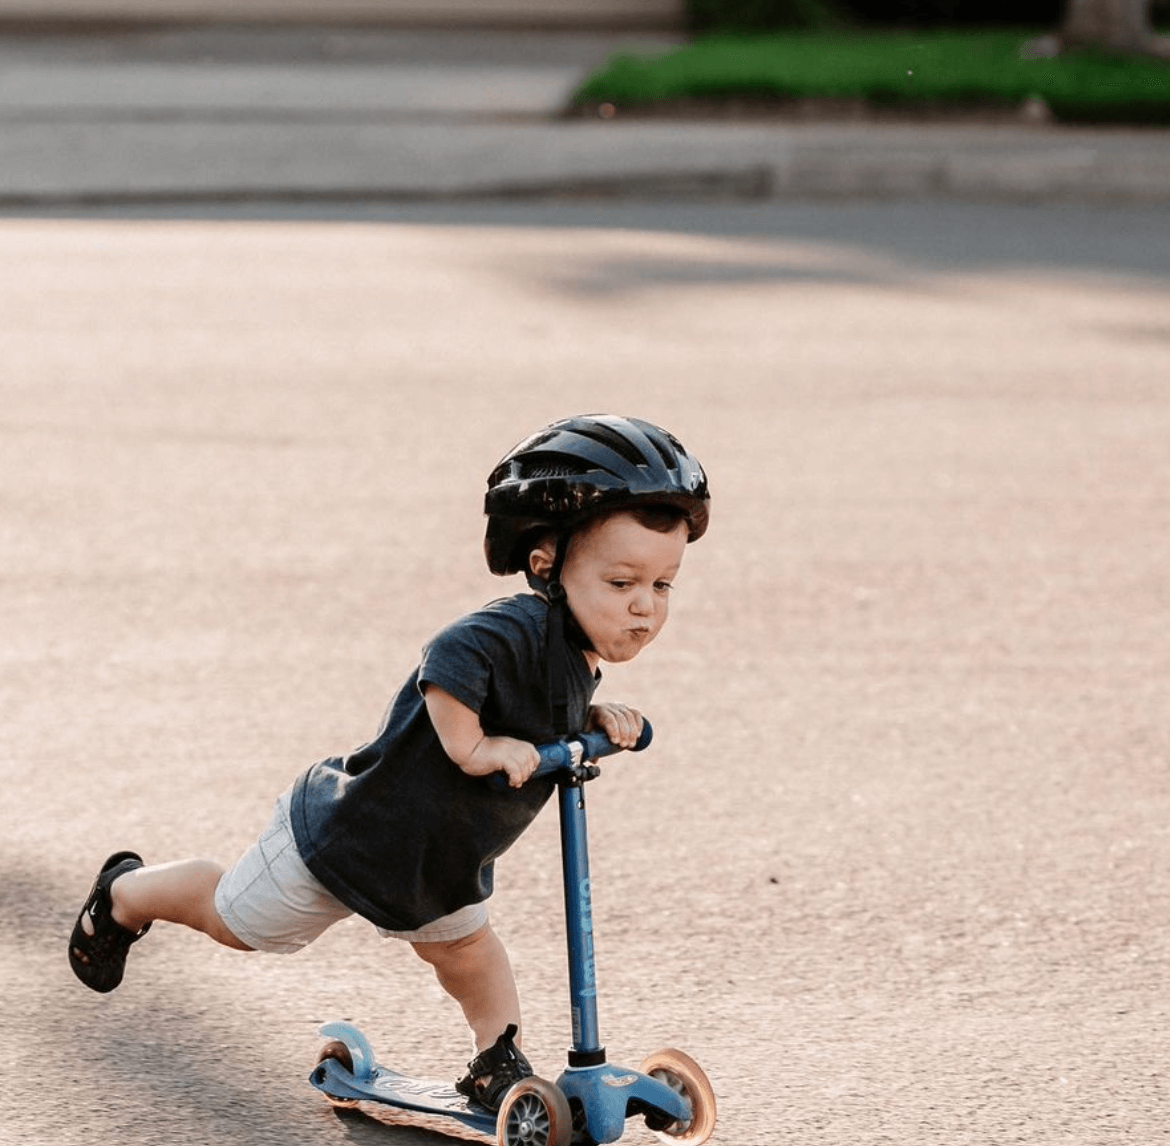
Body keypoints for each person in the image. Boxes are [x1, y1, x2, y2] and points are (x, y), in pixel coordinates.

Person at [68, 413, 709, 1109]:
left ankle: (495, 1061)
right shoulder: (510, 629)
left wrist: (589, 720)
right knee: (239, 922)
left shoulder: (573, 655)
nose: (645, 607)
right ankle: (128, 893)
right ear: (545, 563)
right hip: (353, 836)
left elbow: (534, 712)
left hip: (436, 866)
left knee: (473, 959)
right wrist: (473, 746)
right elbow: (448, 662)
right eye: (622, 584)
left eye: (662, 586)